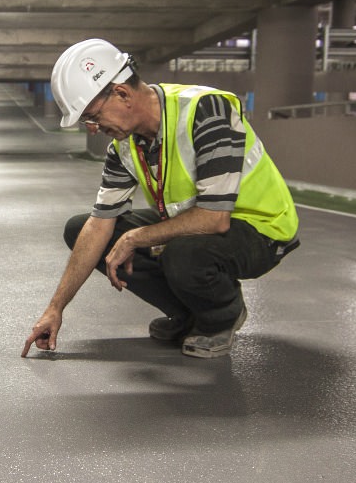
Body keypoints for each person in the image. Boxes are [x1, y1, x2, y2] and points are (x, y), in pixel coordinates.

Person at [22, 39, 299, 359]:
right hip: (200, 225)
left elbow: (214, 218)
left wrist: (136, 237)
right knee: (80, 228)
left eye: (92, 116)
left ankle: (220, 316)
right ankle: (188, 313)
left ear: (122, 94)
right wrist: (55, 309)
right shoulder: (124, 147)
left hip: (261, 228)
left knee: (181, 252)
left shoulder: (206, 110)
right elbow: (99, 225)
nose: (94, 129)